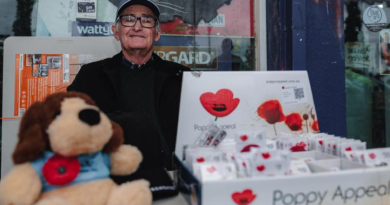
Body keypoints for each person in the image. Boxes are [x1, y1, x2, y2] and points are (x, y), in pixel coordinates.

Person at [67, 0, 190, 200]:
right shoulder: (91, 75)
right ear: (116, 32)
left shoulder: (180, 76)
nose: (137, 26)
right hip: (108, 180)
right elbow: (69, 123)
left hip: (169, 177)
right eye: (129, 19)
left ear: (157, 33)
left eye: (147, 20)